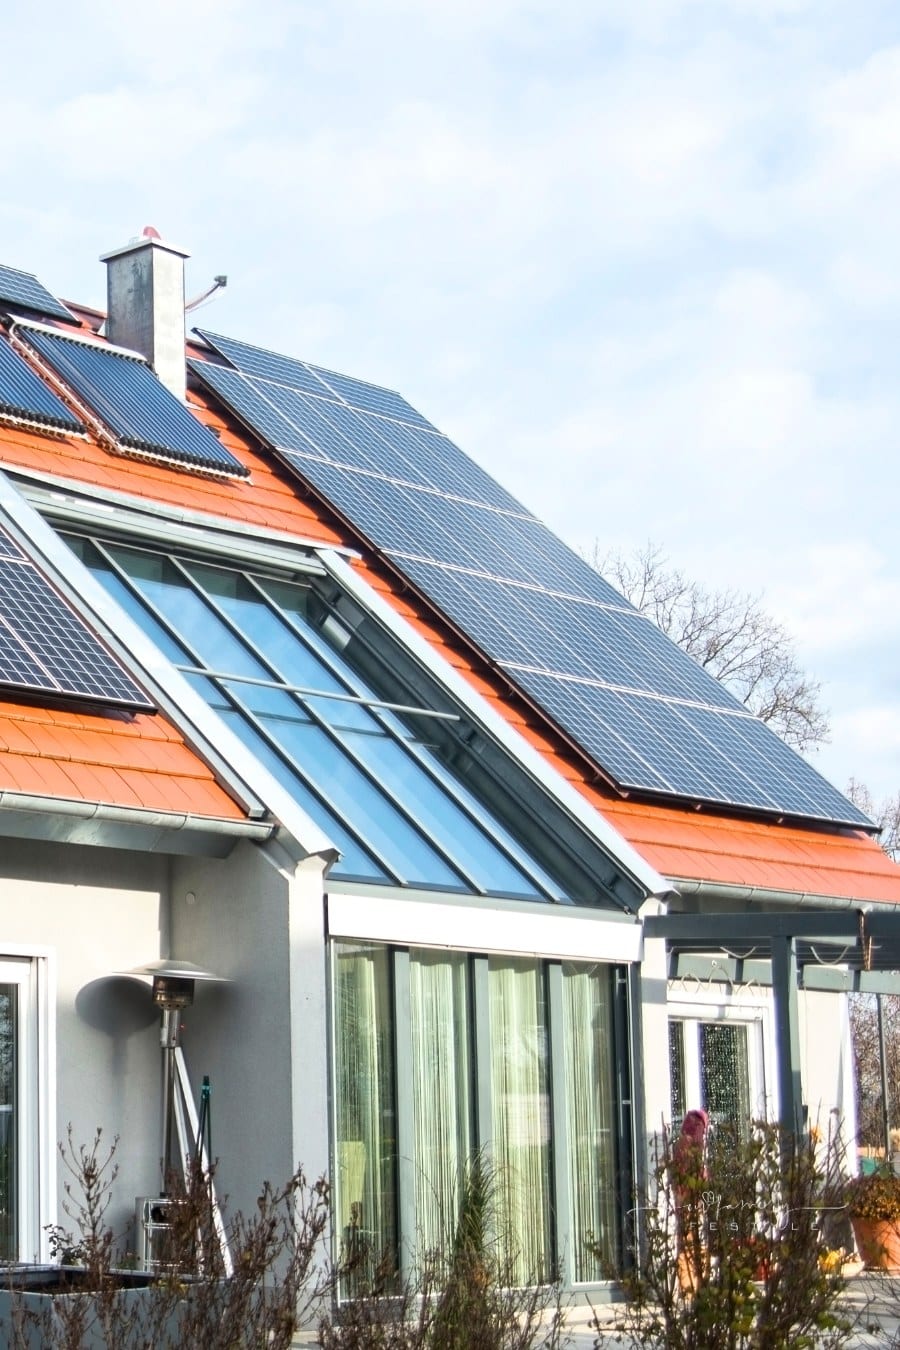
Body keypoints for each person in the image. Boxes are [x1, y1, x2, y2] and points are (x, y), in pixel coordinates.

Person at [670, 1108, 709, 1293]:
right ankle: (689, 1283)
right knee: (689, 1240)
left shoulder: (688, 1142)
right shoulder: (688, 1144)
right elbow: (688, 1173)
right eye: (700, 1126)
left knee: (691, 1240)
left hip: (689, 1198)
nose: (702, 1130)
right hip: (688, 1199)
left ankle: (693, 1281)